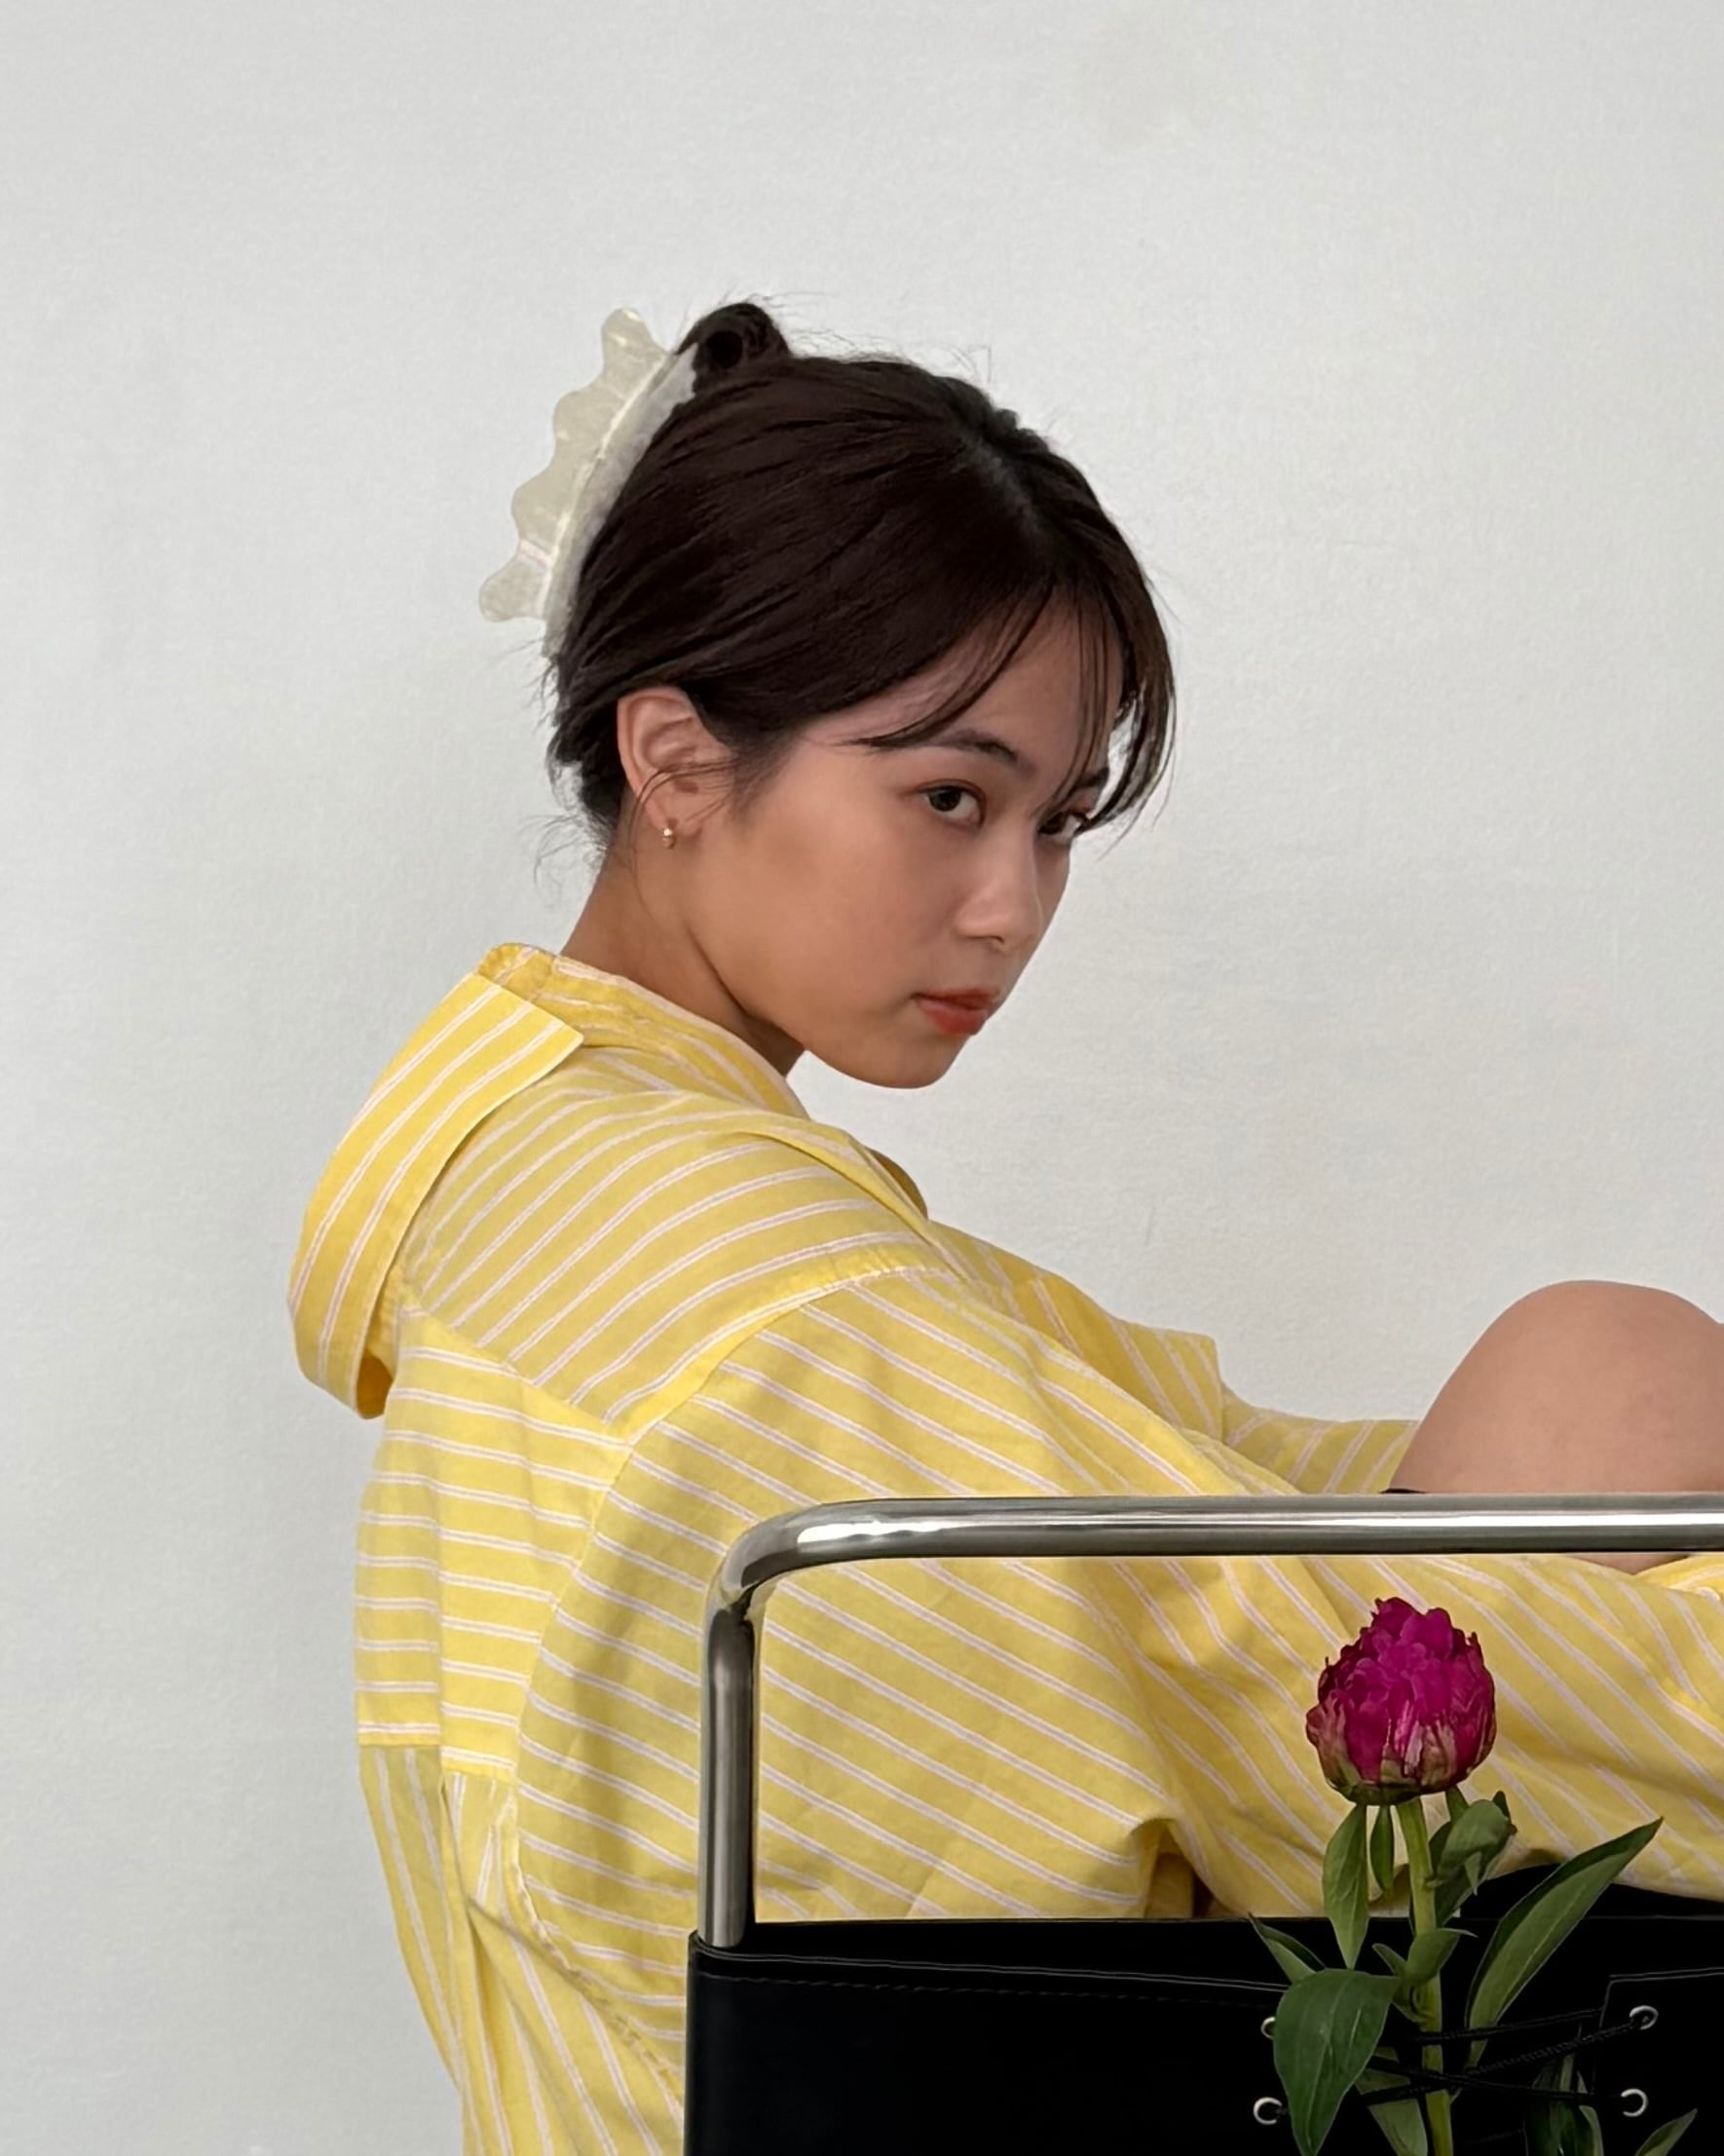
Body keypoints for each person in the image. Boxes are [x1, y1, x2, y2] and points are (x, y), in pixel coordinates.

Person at [288, 298, 1724, 2155]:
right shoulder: (710, 1256)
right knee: (1605, 1385)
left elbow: (1160, 1466)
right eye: (948, 797)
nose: (1009, 906)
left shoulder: (576, 1160)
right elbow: (1227, 1659)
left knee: (1601, 1366)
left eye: (1053, 820)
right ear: (678, 761)